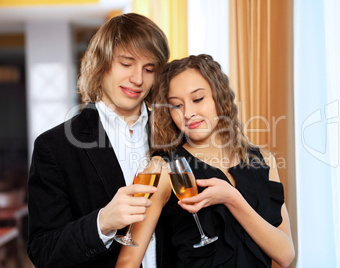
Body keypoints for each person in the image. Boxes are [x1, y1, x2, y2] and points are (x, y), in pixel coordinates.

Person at [116, 54, 295, 267]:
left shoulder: (263, 160)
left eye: (198, 99)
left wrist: (231, 198)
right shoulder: (164, 169)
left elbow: (286, 255)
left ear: (218, 96)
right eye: (176, 105)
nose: (188, 113)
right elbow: (128, 261)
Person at [27, 13, 170, 267]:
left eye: (149, 69)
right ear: (101, 64)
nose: (138, 79)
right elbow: (43, 251)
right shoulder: (54, 147)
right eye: (126, 64)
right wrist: (102, 222)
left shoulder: (171, 136)